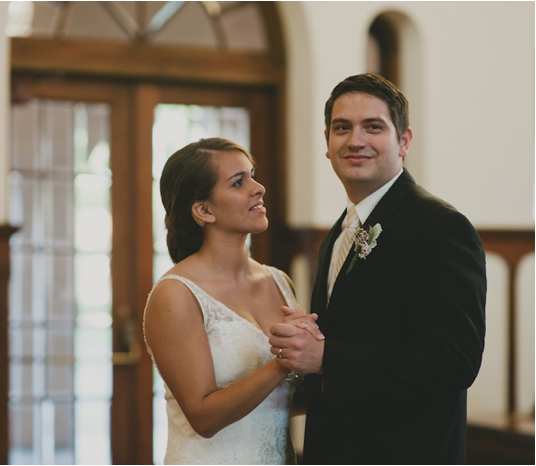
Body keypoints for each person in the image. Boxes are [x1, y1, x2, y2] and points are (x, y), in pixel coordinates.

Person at [269, 73, 487, 464]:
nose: (355, 140)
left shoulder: (439, 226)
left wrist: (327, 358)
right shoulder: (338, 233)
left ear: (403, 141)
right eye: (342, 128)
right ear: (327, 143)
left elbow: (454, 360)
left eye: (373, 127)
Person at [143, 137, 323, 464]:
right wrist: (283, 361)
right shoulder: (176, 294)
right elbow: (204, 418)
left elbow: (282, 402)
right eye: (239, 182)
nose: (259, 188)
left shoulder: (278, 281)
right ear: (204, 210)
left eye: (252, 175)